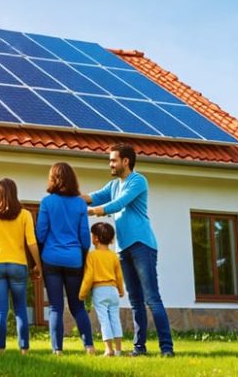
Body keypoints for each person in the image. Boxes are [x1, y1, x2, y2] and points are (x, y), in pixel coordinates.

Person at [84, 143, 175, 357]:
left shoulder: (138, 181)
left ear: (126, 161)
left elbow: (118, 204)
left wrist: (91, 212)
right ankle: (139, 347)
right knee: (135, 301)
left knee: (152, 298)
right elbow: (94, 196)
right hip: (123, 249)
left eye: (113, 160)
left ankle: (167, 348)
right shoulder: (114, 184)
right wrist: (67, 198)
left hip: (143, 245)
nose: (111, 164)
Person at [36, 162, 95, 355]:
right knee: (78, 305)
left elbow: (41, 233)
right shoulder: (80, 203)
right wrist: (82, 257)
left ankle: (57, 350)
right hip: (74, 260)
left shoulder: (47, 202)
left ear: (53, 179)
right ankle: (89, 346)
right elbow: (85, 237)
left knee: (55, 307)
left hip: (51, 259)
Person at [0, 178, 43, 355]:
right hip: (18, 265)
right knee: (20, 308)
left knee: (1, 309)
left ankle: (0, 349)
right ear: (15, 193)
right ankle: (24, 349)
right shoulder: (25, 215)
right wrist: (38, 265)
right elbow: (31, 242)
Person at [79, 222, 124, 357]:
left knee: (104, 320)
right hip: (113, 290)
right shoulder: (113, 256)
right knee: (115, 319)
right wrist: (121, 290)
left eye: (92, 235)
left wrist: (82, 293)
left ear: (96, 238)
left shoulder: (92, 256)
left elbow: (89, 276)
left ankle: (108, 350)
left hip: (100, 290)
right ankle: (118, 350)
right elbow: (119, 275)